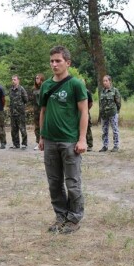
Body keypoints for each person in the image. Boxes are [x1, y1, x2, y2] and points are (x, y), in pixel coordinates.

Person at [39, 45, 88, 234]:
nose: (54, 64)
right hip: (50, 141)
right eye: (51, 61)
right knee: (54, 182)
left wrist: (82, 139)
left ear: (67, 62)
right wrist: (42, 136)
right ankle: (60, 217)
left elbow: (84, 112)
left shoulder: (75, 84)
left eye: (58, 60)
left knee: (72, 183)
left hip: (69, 141)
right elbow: (43, 112)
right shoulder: (46, 86)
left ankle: (74, 218)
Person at [98, 75, 121, 152]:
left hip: (112, 113)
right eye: (103, 81)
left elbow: (118, 103)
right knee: (104, 131)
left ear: (110, 81)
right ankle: (105, 146)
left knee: (115, 130)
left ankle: (116, 146)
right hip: (104, 114)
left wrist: (116, 112)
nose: (104, 82)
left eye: (106, 81)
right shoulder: (102, 91)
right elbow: (101, 103)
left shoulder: (114, 90)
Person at [9, 75, 28, 149]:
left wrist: (20, 107)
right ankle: (16, 144)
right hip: (13, 113)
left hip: (20, 113)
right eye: (12, 79)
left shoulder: (21, 89)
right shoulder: (11, 90)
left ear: (18, 80)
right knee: (14, 130)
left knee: (22, 129)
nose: (13, 81)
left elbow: (26, 99)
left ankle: (24, 143)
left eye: (14, 79)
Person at [31, 73, 45, 150]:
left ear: (42, 79)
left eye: (38, 78)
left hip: (43, 110)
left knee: (44, 126)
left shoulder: (45, 88)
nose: (36, 80)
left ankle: (46, 142)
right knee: (37, 127)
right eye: (36, 78)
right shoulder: (34, 89)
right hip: (36, 110)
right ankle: (38, 142)